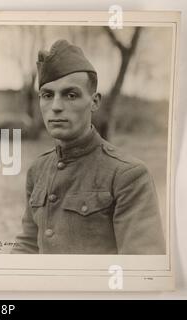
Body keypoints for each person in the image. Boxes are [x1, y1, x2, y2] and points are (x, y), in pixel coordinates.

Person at [11, 39, 165, 254]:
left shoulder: (128, 175)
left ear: (94, 102)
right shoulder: (38, 170)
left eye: (70, 95)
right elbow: (27, 245)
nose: (55, 107)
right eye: (47, 95)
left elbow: (141, 268)